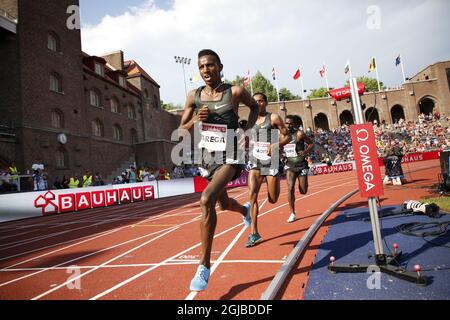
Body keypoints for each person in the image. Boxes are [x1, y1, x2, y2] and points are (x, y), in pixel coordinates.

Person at [178, 49, 259, 292]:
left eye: (210, 65)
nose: (206, 70)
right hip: (208, 156)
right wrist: (196, 121)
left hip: (231, 155)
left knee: (206, 200)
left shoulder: (234, 91)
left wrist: (247, 130)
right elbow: (182, 129)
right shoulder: (193, 96)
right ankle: (244, 210)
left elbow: (254, 107)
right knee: (223, 204)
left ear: (220, 66)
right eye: (202, 67)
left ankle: (203, 265)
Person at [245, 93, 290, 247]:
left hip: (272, 161)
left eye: (261, 101)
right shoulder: (250, 121)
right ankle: (254, 233)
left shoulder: (274, 118)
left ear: (266, 102)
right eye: (255, 101)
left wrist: (276, 145)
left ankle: (276, 183)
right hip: (255, 160)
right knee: (252, 195)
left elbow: (288, 137)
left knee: (273, 199)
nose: (258, 103)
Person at [283, 115, 314, 223]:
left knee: (303, 190)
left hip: (301, 165)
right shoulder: (281, 135)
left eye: (291, 123)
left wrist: (305, 152)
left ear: (294, 124)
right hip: (290, 165)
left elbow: (311, 144)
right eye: (286, 123)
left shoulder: (300, 133)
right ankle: (292, 213)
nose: (288, 125)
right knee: (290, 188)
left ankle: (304, 185)